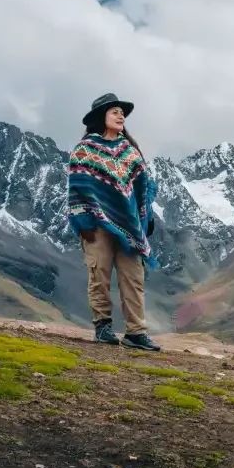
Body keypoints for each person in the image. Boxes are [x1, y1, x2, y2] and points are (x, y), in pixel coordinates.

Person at [67, 92, 161, 351]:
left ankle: (136, 332)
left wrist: (146, 219)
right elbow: (78, 187)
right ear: (102, 117)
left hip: (130, 227)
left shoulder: (131, 152)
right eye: (114, 111)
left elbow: (141, 190)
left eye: (122, 112)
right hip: (96, 224)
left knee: (133, 277)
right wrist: (83, 220)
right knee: (100, 275)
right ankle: (103, 327)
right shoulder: (84, 150)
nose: (120, 115)